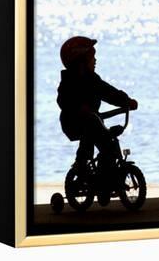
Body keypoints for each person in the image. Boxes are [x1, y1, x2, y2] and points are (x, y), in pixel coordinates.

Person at [56, 36, 138, 178]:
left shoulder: (93, 80)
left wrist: (126, 101)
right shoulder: (68, 82)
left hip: (93, 121)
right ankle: (81, 163)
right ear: (80, 61)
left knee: (109, 145)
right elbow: (63, 100)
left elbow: (109, 92)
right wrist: (79, 108)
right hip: (73, 123)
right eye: (92, 57)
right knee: (93, 130)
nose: (95, 61)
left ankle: (105, 176)